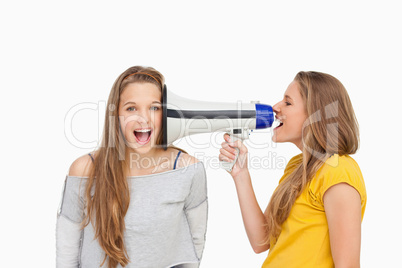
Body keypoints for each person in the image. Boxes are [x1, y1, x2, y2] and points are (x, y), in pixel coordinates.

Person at [56, 66, 208, 268]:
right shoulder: (84, 170)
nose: (143, 118)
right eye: (131, 108)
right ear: (116, 115)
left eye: (154, 107)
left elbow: (194, 249)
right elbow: (66, 254)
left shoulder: (188, 169)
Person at [219, 71, 366, 267]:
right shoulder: (296, 167)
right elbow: (261, 240)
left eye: (288, 103)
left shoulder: (338, 171)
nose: (275, 107)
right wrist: (241, 174)